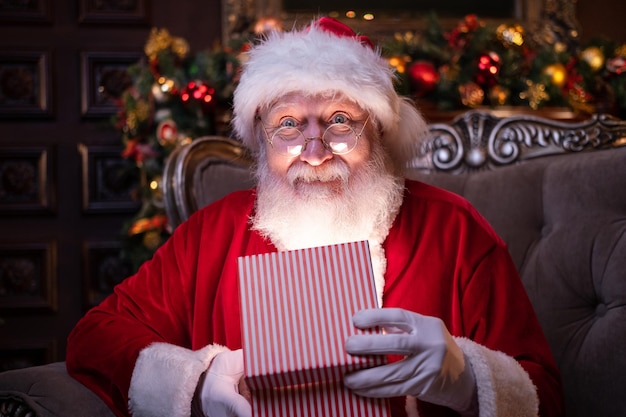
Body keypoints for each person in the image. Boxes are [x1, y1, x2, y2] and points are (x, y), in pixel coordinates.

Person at [66, 17, 564, 417]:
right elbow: (95, 336)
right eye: (288, 125)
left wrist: (468, 379)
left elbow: (546, 394)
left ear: (381, 134)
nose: (314, 151)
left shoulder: (454, 229)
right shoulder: (211, 233)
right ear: (261, 137)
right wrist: (195, 384)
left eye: (340, 121)